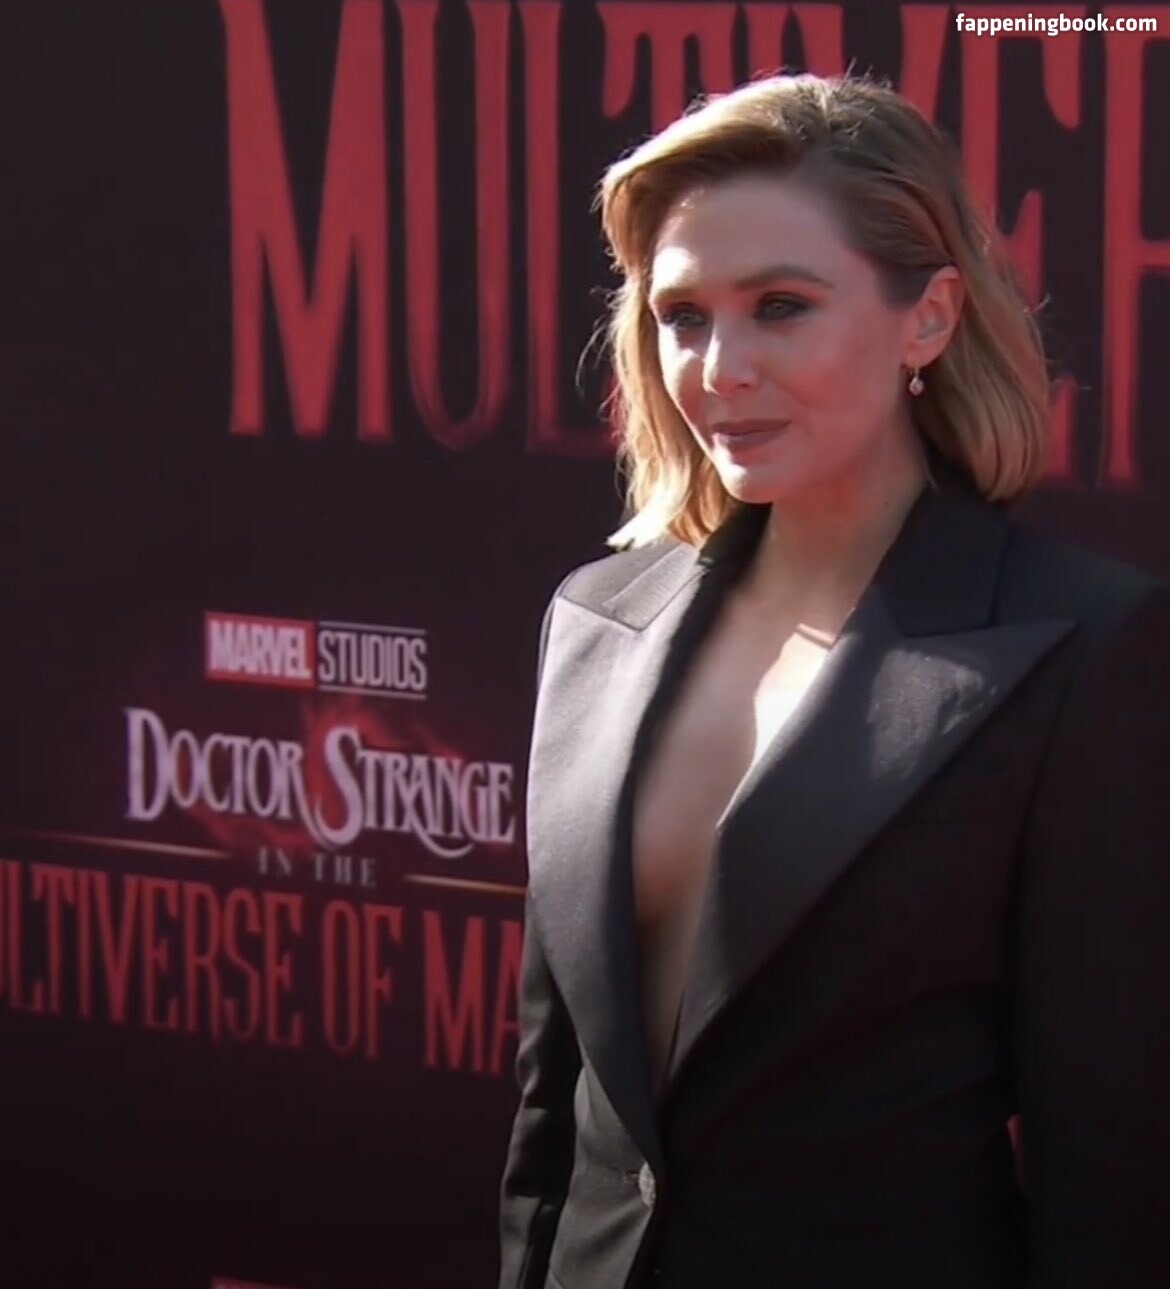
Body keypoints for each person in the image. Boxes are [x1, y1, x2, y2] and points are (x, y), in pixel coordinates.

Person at [497, 72, 1170, 1289]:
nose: (719, 366)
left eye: (781, 307)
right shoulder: (595, 620)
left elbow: (1111, 1166)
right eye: (683, 315)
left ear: (929, 318)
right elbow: (558, 1116)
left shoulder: (1079, 649)